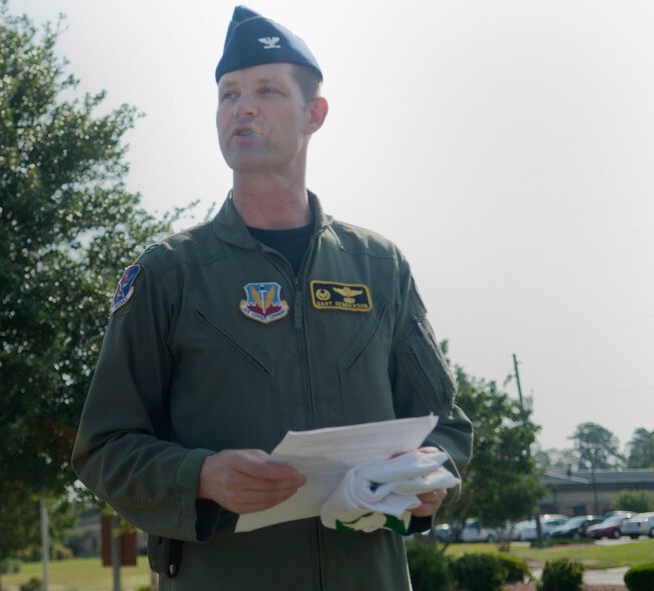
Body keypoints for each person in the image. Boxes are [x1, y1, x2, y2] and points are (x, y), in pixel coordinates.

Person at [72, 6, 472, 590]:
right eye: (229, 94)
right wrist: (200, 475)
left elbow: (446, 425)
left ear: (315, 114)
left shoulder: (379, 267)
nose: (243, 107)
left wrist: (430, 478)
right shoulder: (169, 274)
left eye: (266, 90)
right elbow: (103, 448)